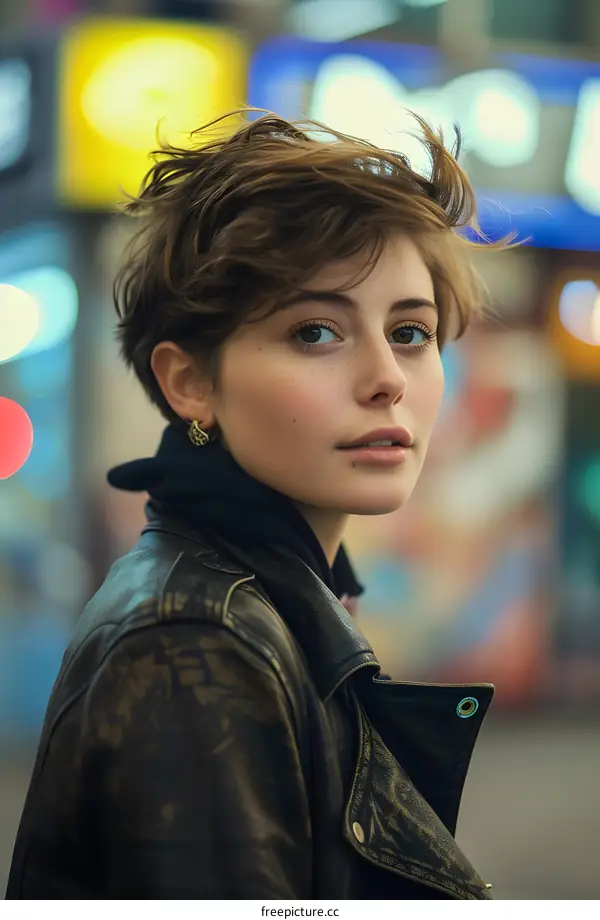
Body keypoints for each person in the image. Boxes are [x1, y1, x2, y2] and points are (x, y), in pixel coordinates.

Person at [7, 109, 499, 899]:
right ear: (190, 382)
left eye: (411, 332)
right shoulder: (194, 642)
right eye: (315, 332)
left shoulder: (273, 599)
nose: (388, 377)